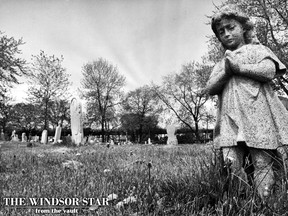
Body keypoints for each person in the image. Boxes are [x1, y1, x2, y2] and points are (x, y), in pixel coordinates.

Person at [206, 4, 288, 201]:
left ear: (243, 27)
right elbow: (209, 88)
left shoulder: (257, 50)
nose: (226, 34)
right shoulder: (222, 62)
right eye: (221, 31)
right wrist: (227, 70)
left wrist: (239, 67)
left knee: (262, 162)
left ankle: (265, 201)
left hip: (256, 115)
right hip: (229, 119)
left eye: (230, 27)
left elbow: (268, 71)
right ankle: (235, 201)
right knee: (230, 163)